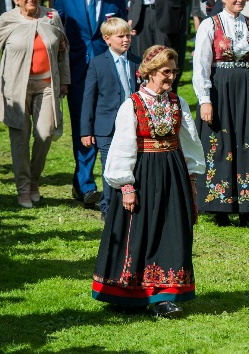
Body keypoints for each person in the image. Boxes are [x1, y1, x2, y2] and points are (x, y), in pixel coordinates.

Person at [92, 45, 204, 318]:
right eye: (166, 72)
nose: (171, 77)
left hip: (173, 172)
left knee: (173, 232)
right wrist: (126, 186)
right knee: (141, 232)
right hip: (143, 174)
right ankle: (130, 294)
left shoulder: (178, 102)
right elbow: (122, 146)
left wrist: (190, 177)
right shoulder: (132, 104)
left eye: (174, 72)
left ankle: (165, 296)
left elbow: (189, 142)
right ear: (150, 72)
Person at [193, 0, 249, 228]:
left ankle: (248, 209)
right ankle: (220, 207)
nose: (240, 0)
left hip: (247, 92)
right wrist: (205, 100)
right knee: (219, 145)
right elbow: (201, 66)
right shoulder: (210, 25)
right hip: (219, 89)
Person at [0, 0, 71, 208]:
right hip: (16, 90)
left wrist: (64, 80)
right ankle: (23, 189)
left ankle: (34, 180)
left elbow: (63, 51)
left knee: (44, 135)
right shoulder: (7, 19)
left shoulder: (51, 16)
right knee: (20, 140)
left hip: (46, 86)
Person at [54, 0, 127, 205]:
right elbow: (56, 39)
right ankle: (86, 186)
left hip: (107, 73)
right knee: (83, 127)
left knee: (104, 125)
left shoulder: (115, 1)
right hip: (76, 73)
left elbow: (121, 37)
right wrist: (60, 76)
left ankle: (86, 184)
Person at [80, 17, 140, 221]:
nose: (125, 40)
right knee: (109, 166)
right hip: (106, 126)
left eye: (128, 35)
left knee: (132, 162)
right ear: (107, 39)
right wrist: (86, 130)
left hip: (132, 124)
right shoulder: (98, 63)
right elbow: (89, 98)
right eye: (120, 36)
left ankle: (130, 201)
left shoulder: (136, 62)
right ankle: (107, 206)